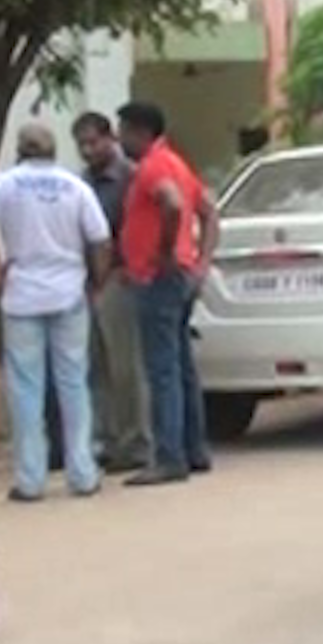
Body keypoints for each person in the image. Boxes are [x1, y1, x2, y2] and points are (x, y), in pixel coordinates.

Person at [0, 124, 112, 501]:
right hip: (68, 291)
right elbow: (100, 239)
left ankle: (30, 479)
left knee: (25, 389)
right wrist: (97, 282)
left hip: (22, 294)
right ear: (54, 150)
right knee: (73, 383)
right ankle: (82, 472)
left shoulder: (5, 185)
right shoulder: (74, 186)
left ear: (20, 151)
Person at [116, 101, 219, 486]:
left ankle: (169, 456)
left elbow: (173, 205)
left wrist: (161, 253)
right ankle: (194, 449)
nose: (121, 139)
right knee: (180, 367)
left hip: (159, 277)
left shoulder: (154, 167)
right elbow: (208, 211)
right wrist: (201, 262)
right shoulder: (177, 162)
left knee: (162, 370)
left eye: (124, 130)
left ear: (141, 132)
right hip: (181, 274)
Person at [73, 112, 151, 473]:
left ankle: (135, 441)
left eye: (93, 142)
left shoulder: (130, 177)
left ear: (110, 140)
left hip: (120, 278)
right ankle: (104, 439)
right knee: (95, 367)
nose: (88, 150)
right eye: (82, 144)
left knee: (126, 367)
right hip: (86, 283)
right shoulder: (80, 184)